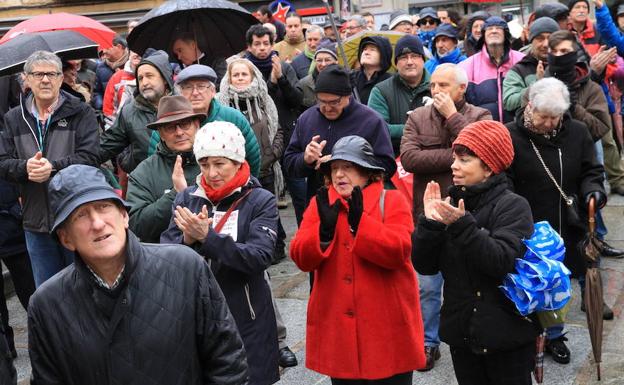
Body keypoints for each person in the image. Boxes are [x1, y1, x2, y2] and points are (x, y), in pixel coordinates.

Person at [28, 164, 249, 384]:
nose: (97, 223)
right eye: (80, 216)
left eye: (103, 207)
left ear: (124, 216)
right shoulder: (47, 305)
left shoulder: (185, 267)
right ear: (66, 238)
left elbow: (228, 363)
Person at [290, 135, 426, 384]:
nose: (340, 174)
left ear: (366, 172)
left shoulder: (392, 200)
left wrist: (361, 224)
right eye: (335, 168)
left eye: (348, 167)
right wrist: (323, 235)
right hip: (340, 336)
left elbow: (399, 252)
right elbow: (300, 258)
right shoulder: (320, 204)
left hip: (387, 333)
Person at [413, 120, 538, 385]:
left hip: (507, 338)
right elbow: (425, 266)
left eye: (465, 160)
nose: (454, 165)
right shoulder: (451, 203)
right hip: (463, 335)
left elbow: (500, 261)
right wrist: (429, 224)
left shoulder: (514, 206)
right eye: (455, 157)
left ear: (490, 167)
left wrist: (461, 225)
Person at [161, 122, 280, 385]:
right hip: (197, 313)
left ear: (238, 162)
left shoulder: (260, 200)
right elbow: (166, 257)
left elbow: (259, 256)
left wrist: (208, 238)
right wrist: (187, 240)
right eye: (204, 165)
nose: (211, 173)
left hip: (246, 314)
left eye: (219, 164)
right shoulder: (187, 198)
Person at [506, 78, 609, 365]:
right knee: (529, 282)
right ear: (530, 106)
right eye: (544, 116)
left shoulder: (576, 132)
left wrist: (593, 191)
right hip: (526, 222)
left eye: (556, 117)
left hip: (568, 220)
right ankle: (526, 336)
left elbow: (592, 170)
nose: (550, 123)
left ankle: (554, 335)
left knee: (557, 283)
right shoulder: (511, 135)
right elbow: (505, 180)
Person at [400, 63, 492, 371]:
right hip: (429, 213)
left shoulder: (481, 117)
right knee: (427, 285)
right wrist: (458, 154)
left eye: (443, 85)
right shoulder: (416, 117)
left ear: (462, 88)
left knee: (471, 281)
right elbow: (411, 158)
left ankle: (475, 335)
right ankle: (428, 342)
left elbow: (486, 152)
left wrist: (453, 117)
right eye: (433, 85)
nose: (435, 91)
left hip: (472, 212)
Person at [0, 50, 100, 287]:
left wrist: (52, 168)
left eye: (52, 74)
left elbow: (92, 157)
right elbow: (2, 162)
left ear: (60, 78)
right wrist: (26, 168)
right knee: (49, 292)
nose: (45, 79)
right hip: (36, 223)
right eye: (38, 74)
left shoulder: (80, 111)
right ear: (27, 78)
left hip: (76, 217)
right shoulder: (14, 118)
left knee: (85, 288)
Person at [283, 64, 396, 202]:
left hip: (362, 205)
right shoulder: (307, 119)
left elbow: (388, 167)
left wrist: (345, 163)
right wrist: (306, 159)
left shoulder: (371, 121)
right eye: (322, 101)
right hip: (318, 205)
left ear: (348, 96)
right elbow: (289, 164)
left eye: (334, 102)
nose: (327, 108)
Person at [125, 96, 206, 243]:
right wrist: (176, 194)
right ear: (161, 133)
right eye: (170, 127)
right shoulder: (144, 172)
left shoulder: (216, 161)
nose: (179, 132)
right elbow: (136, 226)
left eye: (185, 124)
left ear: (196, 125)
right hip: (166, 258)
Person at [172, 64, 261, 177]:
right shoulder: (169, 122)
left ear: (213, 91)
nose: (195, 93)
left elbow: (252, 158)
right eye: (188, 87)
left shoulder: (233, 118)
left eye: (201, 86)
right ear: (181, 93)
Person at [99, 50, 174, 174]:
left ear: (165, 78)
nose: (144, 82)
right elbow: (106, 146)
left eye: (149, 76)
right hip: (144, 181)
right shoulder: (129, 111)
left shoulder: (183, 105)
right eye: (140, 78)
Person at [368, 35, 431, 156]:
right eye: (403, 57)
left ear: (423, 60)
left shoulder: (439, 86)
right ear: (396, 63)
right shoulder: (380, 91)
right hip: (394, 159)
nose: (409, 62)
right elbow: (377, 128)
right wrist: (415, 127)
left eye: (414, 56)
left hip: (433, 157)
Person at [459, 16, 525, 123]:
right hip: (483, 132)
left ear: (506, 34)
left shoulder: (522, 60)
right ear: (483, 35)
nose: (494, 31)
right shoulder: (466, 66)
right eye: (489, 28)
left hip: (518, 131)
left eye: (498, 28)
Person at [0, 179, 36, 359]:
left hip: (12, 222)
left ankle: (44, 337)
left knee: (28, 288)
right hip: (13, 217)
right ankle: (5, 347)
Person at [503, 17, 560, 115]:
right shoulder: (519, 70)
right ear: (531, 41)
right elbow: (509, 102)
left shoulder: (568, 65)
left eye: (550, 38)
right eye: (540, 39)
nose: (546, 44)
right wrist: (537, 85)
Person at [102, 50, 141, 128]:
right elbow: (109, 110)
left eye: (141, 50)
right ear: (129, 53)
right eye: (134, 50)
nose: (136, 54)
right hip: (121, 129)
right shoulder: (117, 77)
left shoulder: (152, 77)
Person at [296, 43, 338, 111]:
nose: (323, 64)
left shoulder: (345, 81)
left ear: (336, 62)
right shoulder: (304, 84)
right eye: (319, 60)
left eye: (327, 60)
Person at [351, 36, 392, 104]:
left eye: (372, 50)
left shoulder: (390, 81)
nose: (366, 52)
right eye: (364, 49)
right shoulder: (351, 77)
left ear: (383, 55)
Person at [93, 34, 129, 110]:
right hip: (110, 114)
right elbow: (97, 92)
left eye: (107, 48)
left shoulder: (132, 64)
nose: (104, 51)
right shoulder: (101, 67)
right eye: (102, 48)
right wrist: (100, 104)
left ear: (119, 47)